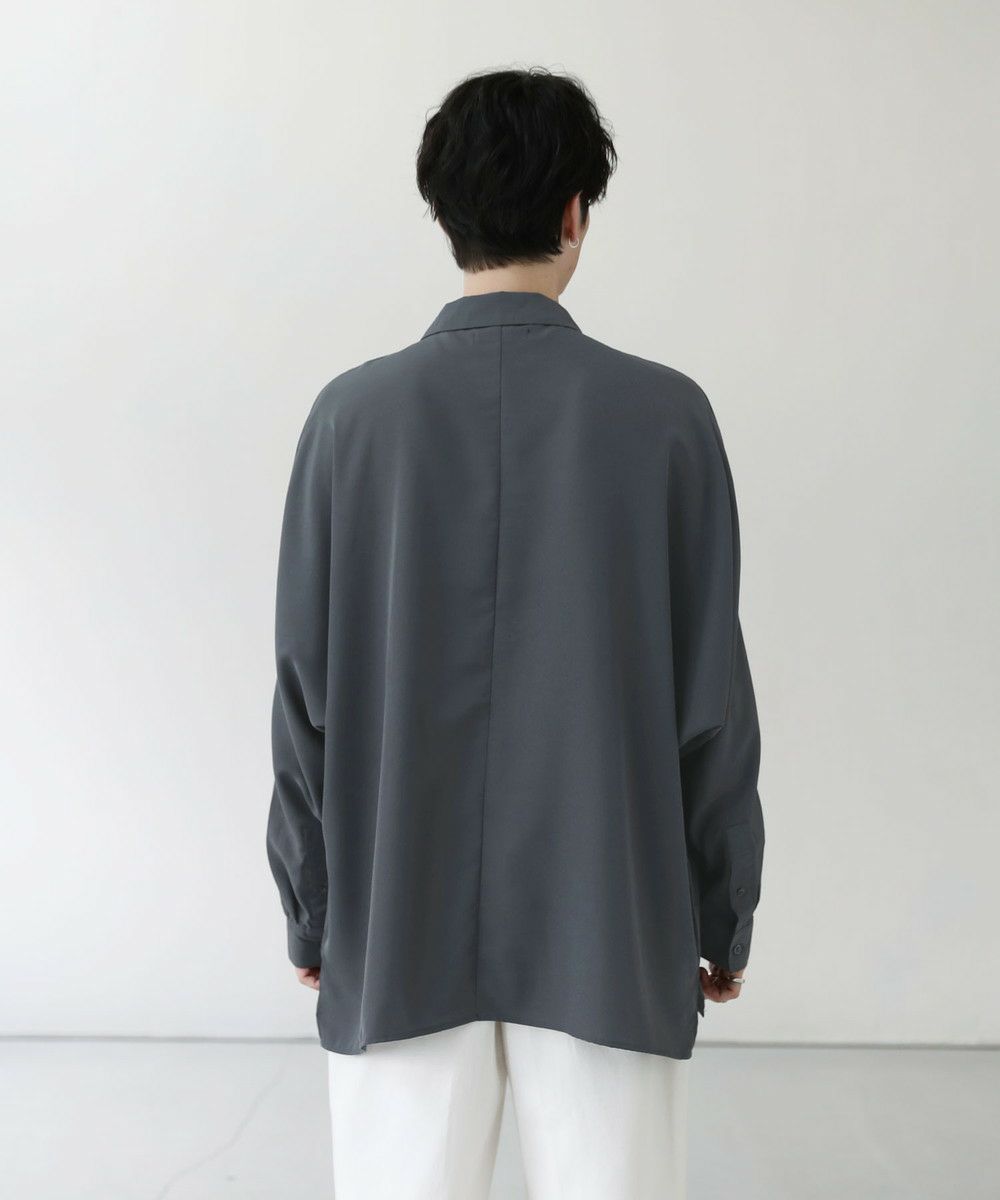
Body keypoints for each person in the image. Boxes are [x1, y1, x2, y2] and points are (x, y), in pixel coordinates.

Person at [266, 66, 765, 1200]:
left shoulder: (350, 419)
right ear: (576, 212)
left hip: (395, 926)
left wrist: (314, 909)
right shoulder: (666, 417)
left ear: (443, 213)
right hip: (611, 926)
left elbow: (305, 694)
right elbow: (711, 705)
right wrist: (721, 913)